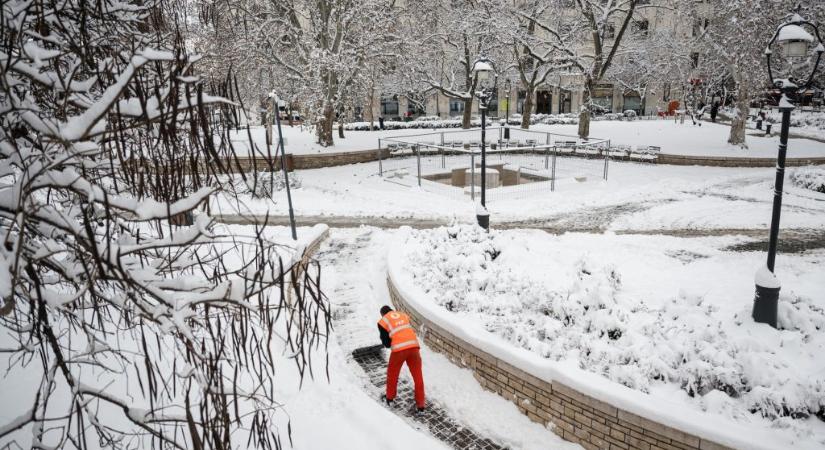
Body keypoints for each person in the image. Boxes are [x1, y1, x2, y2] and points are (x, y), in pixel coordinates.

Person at [377, 305, 425, 411]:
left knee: (392, 374)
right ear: (391, 310)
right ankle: (421, 405)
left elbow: (387, 343)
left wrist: (388, 338)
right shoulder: (403, 315)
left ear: (382, 314)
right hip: (414, 347)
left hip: (399, 350)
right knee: (418, 377)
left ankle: (389, 398)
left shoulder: (383, 321)